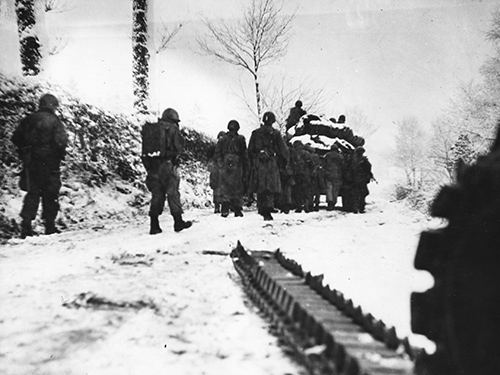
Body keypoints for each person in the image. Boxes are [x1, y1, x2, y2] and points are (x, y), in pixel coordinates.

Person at [12, 93, 68, 238]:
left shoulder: (28, 120)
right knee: (50, 193)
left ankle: (26, 226)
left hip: (31, 162)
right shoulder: (55, 121)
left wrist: (25, 152)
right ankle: (49, 226)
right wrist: (59, 155)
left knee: (33, 193)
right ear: (52, 105)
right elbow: (61, 142)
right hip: (50, 163)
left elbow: (16, 138)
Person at [141, 108, 192, 234]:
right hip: (167, 166)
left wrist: (150, 168)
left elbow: (144, 152)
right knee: (173, 193)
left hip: (153, 167)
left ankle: (154, 226)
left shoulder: (151, 129)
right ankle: (178, 222)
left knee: (157, 195)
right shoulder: (173, 129)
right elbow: (179, 148)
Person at [248, 111, 288, 220]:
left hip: (259, 163)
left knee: (261, 185)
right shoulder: (275, 133)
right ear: (273, 121)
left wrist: (254, 159)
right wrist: (283, 162)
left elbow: (250, 150)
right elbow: (283, 150)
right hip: (271, 163)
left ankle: (262, 208)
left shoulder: (255, 133)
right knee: (270, 186)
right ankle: (268, 209)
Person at [215, 120, 248, 217]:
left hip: (227, 164)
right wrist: (246, 166)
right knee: (237, 187)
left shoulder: (223, 139)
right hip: (236, 164)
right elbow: (244, 154)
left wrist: (221, 164)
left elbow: (217, 153)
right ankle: (237, 209)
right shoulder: (240, 139)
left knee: (226, 187)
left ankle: (226, 209)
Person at [351, 146, 373, 213]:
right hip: (362, 179)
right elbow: (368, 168)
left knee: (356, 194)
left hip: (354, 179)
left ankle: (355, 208)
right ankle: (361, 208)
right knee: (362, 194)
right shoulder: (364, 160)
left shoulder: (352, 160)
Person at [208, 131, 226, 213]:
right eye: (220, 137)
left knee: (223, 189)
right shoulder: (213, 147)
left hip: (222, 170)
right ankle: (217, 206)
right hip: (216, 170)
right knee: (216, 188)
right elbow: (209, 158)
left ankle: (222, 206)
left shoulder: (226, 148)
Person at [324, 144, 344, 210]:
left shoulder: (327, 155)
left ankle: (330, 202)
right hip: (337, 175)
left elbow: (324, 164)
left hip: (328, 174)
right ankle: (333, 202)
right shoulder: (340, 156)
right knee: (335, 190)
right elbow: (343, 165)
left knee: (329, 188)